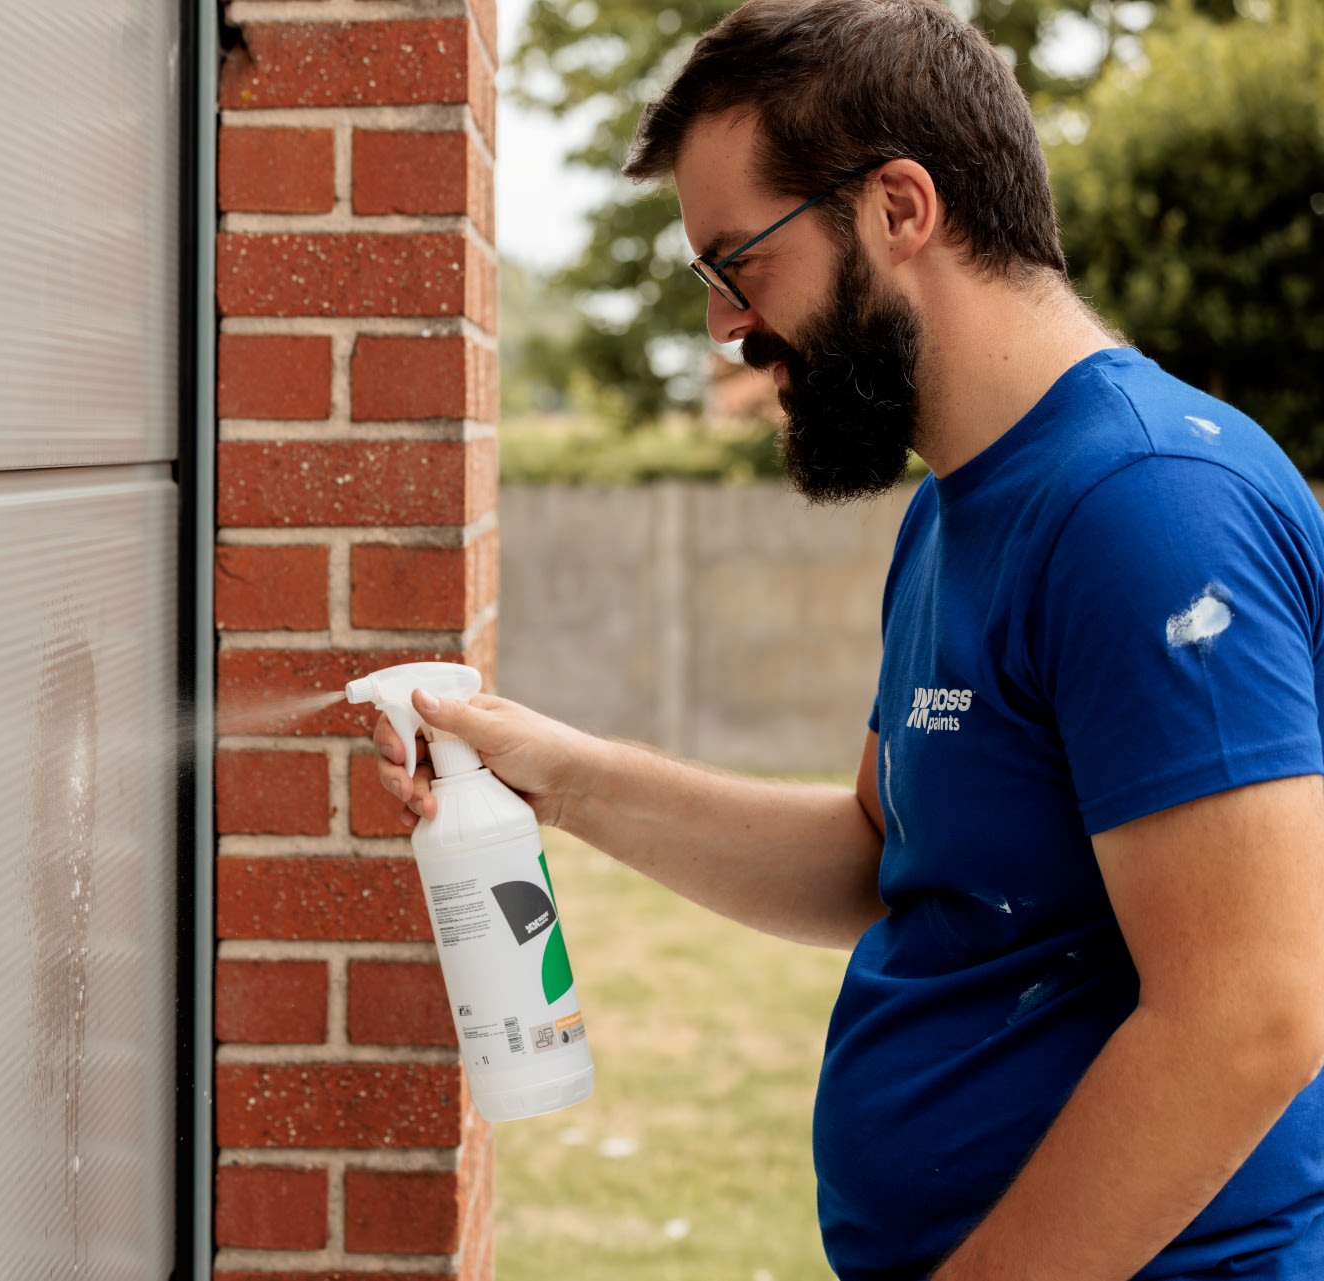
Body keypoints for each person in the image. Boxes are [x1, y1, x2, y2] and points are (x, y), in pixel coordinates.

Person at [371, 0, 1324, 1275]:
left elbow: (1248, 1017)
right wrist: (561, 775)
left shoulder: (1146, 508)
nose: (722, 324)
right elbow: (885, 858)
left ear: (899, 209)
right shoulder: (956, 506)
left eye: (739, 264)